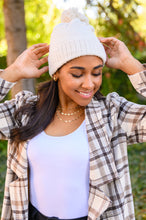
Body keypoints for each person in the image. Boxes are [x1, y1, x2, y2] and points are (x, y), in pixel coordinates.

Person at [0, 7, 145, 220]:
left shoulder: (113, 114)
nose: (89, 83)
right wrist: (12, 73)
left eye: (97, 73)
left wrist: (132, 67)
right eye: (77, 74)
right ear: (56, 72)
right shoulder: (26, 112)